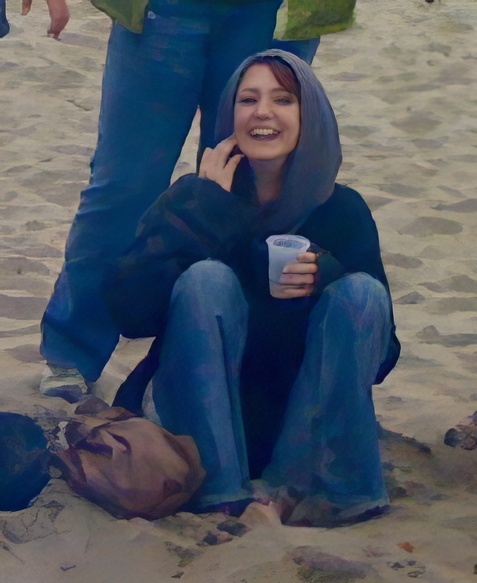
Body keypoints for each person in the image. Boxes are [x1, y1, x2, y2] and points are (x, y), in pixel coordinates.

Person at [105, 49, 400, 526]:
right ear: (230, 114)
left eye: (283, 99)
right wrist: (204, 211)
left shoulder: (341, 209)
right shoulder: (196, 194)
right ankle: (220, 491)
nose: (262, 112)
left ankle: (322, 488)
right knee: (207, 280)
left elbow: (382, 355)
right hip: (201, 417)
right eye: (248, 99)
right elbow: (130, 313)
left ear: (310, 118)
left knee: (363, 291)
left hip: (299, 425)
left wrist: (330, 278)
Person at [39, 0, 358, 398]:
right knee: (124, 186)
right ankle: (73, 350)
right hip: (164, 8)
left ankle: (217, 358)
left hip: (269, 13)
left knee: (250, 179)